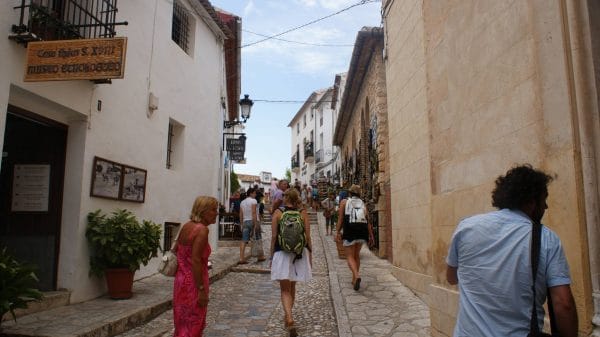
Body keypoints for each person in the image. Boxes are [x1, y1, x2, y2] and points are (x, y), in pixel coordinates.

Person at [446, 164, 578, 337]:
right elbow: (563, 303)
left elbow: (451, 278)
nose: (546, 206)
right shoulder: (547, 239)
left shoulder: (466, 227)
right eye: (544, 199)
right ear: (531, 202)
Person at [173, 196, 218, 337]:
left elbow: (177, 251)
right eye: (213, 210)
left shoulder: (187, 226)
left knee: (181, 324)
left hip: (180, 280)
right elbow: (196, 261)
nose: (217, 213)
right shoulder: (202, 230)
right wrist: (201, 290)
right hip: (193, 282)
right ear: (203, 211)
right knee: (194, 324)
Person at [270, 189, 312, 337]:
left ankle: (289, 318)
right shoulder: (303, 212)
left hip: (282, 253)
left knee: (284, 289)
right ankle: (289, 316)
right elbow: (307, 237)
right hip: (299, 254)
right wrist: (310, 257)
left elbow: (274, 236)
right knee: (292, 286)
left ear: (285, 198)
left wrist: (271, 256)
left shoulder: (278, 213)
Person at [335, 184, 374, 291]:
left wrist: (337, 231)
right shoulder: (363, 204)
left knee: (349, 256)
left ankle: (356, 276)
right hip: (362, 231)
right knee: (356, 255)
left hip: (350, 231)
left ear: (350, 193)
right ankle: (354, 279)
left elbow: (340, 219)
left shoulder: (344, 202)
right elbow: (368, 222)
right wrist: (371, 236)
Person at [238, 188, 265, 264]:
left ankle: (241, 258)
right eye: (254, 193)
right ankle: (260, 256)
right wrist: (255, 224)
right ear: (251, 193)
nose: (255, 195)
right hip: (253, 221)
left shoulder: (242, 202)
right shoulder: (253, 201)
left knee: (244, 240)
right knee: (258, 239)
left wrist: (241, 224)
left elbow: (240, 214)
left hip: (245, 222)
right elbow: (254, 212)